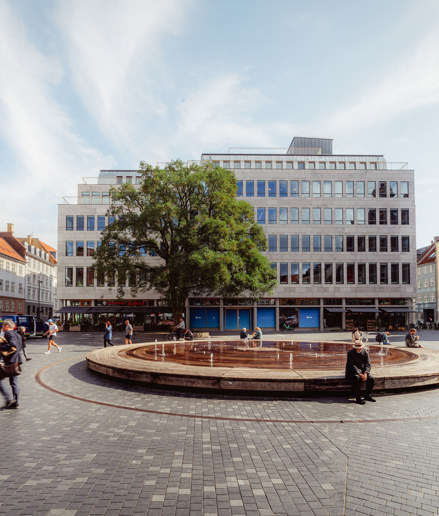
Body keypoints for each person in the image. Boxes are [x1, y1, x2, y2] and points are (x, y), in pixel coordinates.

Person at [0, 320, 22, 409]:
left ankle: (9, 399)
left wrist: (1, 347)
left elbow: (13, 345)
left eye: (2, 325)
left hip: (9, 362)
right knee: (14, 382)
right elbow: (18, 348)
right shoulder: (18, 335)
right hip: (16, 362)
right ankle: (15, 402)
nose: (2, 327)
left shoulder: (8, 334)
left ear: (6, 326)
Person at [345, 340, 376, 405]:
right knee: (357, 378)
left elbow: (368, 364)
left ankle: (367, 395)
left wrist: (365, 373)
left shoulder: (365, 353)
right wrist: (359, 373)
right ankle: (358, 397)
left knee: (371, 379)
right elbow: (351, 365)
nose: (359, 349)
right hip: (352, 372)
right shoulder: (350, 353)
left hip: (363, 371)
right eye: (357, 348)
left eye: (360, 348)